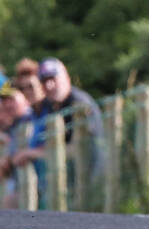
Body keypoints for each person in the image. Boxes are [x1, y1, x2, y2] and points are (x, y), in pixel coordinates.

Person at [38, 57, 105, 186]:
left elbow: (78, 148)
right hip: (75, 180)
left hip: (92, 180)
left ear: (66, 78)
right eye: (44, 81)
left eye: (53, 78)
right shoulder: (52, 106)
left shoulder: (79, 103)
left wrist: (36, 154)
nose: (49, 85)